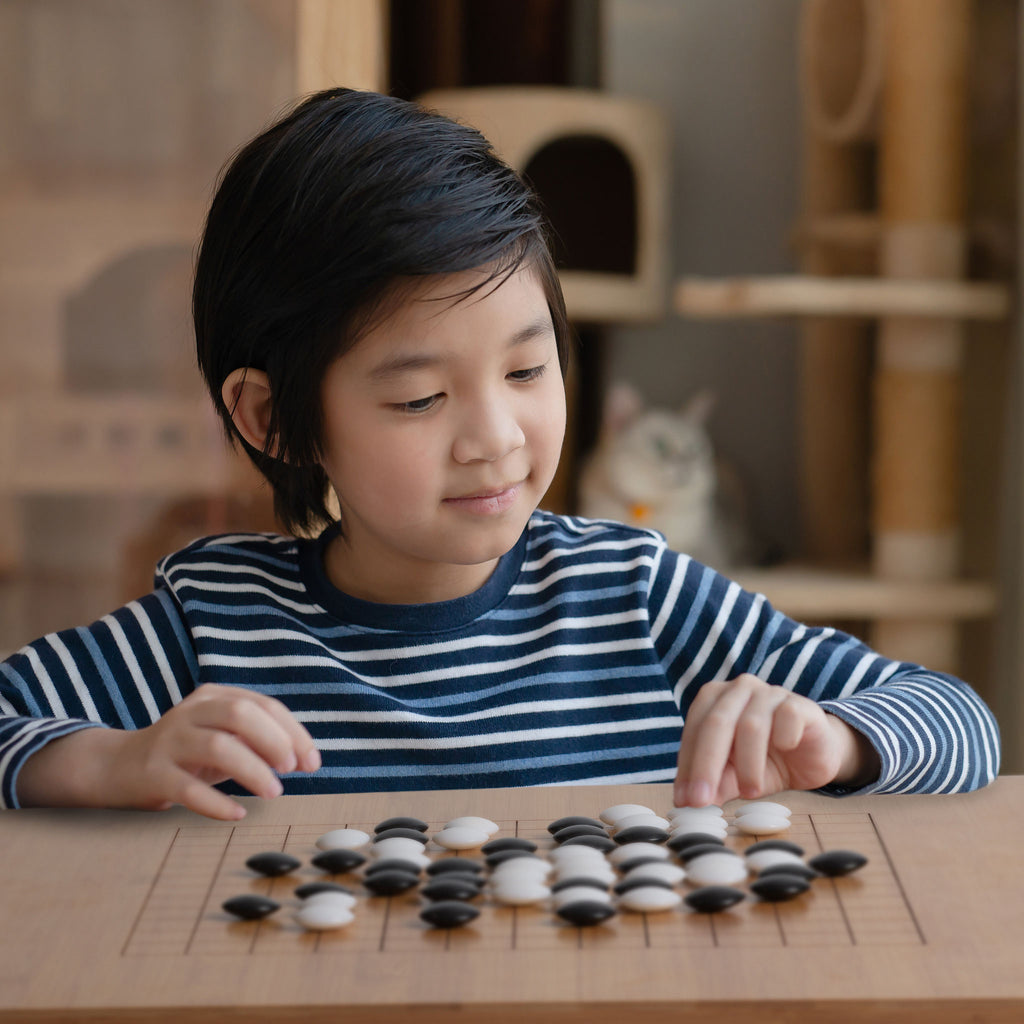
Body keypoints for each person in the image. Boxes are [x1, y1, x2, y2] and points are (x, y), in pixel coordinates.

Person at [0, 89, 999, 821]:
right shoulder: (215, 621)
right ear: (272, 419)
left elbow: (958, 721)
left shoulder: (635, 594)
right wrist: (105, 761)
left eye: (528, 371)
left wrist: (839, 739)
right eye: (419, 396)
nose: (496, 437)